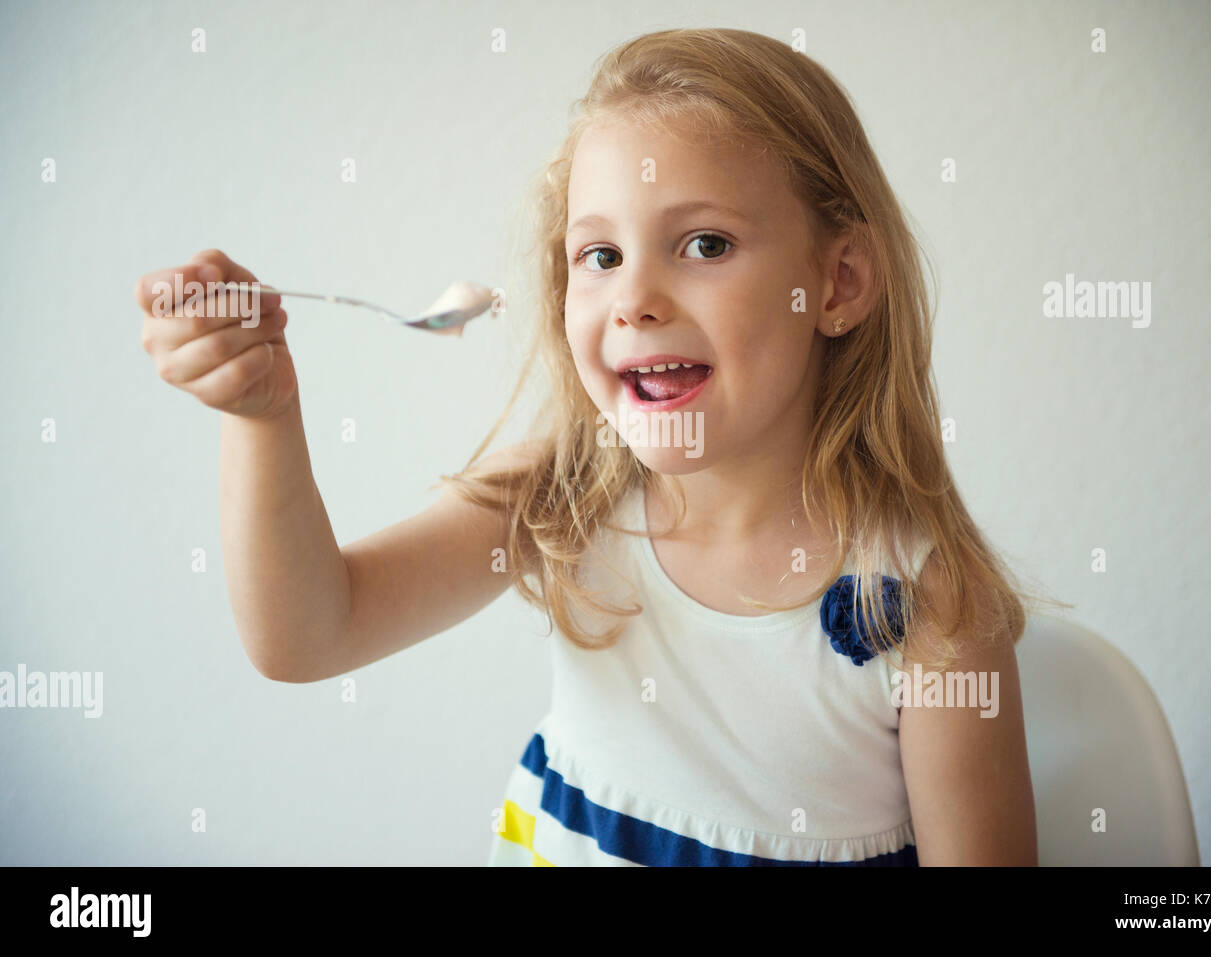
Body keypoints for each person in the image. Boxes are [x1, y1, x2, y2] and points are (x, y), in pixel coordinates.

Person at [135, 27, 1058, 866]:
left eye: (703, 243)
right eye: (600, 257)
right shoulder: (564, 495)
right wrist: (262, 414)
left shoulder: (933, 607)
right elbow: (306, 634)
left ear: (839, 281)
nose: (634, 299)